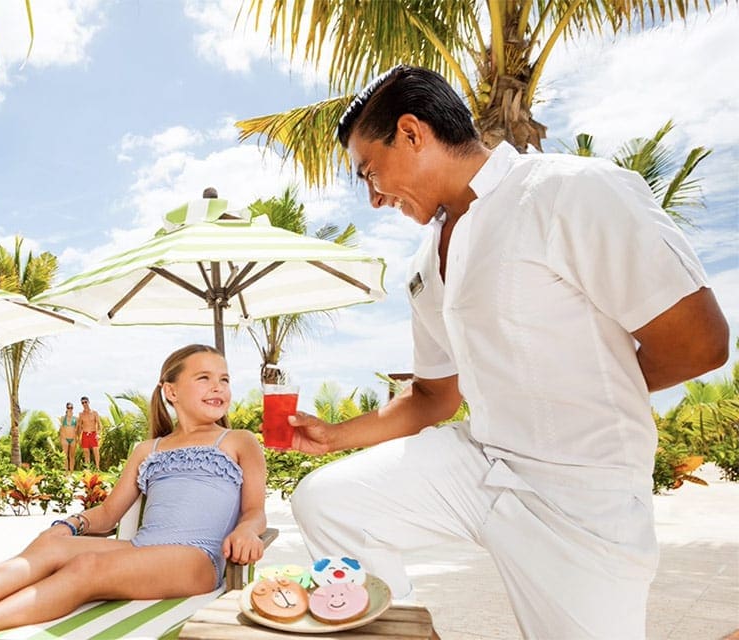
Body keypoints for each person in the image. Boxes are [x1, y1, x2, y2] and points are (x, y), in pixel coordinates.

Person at [287, 65, 729, 640]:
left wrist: (585, 397)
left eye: (370, 172)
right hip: (480, 464)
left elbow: (700, 342)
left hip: (581, 494)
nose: (372, 197)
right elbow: (434, 397)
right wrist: (334, 435)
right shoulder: (425, 265)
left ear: (413, 133)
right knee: (328, 504)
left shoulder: (568, 191)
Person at [0, 344, 268, 640]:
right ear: (171, 391)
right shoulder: (148, 449)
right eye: (204, 378)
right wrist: (68, 524)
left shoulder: (238, 441)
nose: (219, 387)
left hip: (196, 559)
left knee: (85, 569)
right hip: (142, 550)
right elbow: (106, 515)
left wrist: (248, 531)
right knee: (52, 545)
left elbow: (254, 511)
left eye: (224, 379)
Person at [77, 395, 102, 469]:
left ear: (88, 402)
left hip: (93, 434)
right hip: (85, 434)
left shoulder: (94, 413)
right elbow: (79, 427)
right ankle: (88, 469)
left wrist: (98, 434)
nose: (84, 404)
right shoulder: (81, 414)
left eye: (85, 402)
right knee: (86, 453)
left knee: (96, 452)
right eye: (82, 403)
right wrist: (79, 438)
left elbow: (100, 425)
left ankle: (97, 468)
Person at [58, 402, 78, 472]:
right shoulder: (63, 418)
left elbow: (77, 429)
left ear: (73, 408)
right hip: (65, 439)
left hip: (73, 439)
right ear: (66, 408)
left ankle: (71, 472)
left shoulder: (75, 418)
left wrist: (77, 439)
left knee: (72, 456)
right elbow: (61, 429)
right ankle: (66, 472)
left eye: (71, 407)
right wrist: (61, 438)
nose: (70, 409)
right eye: (68, 408)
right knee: (65, 456)